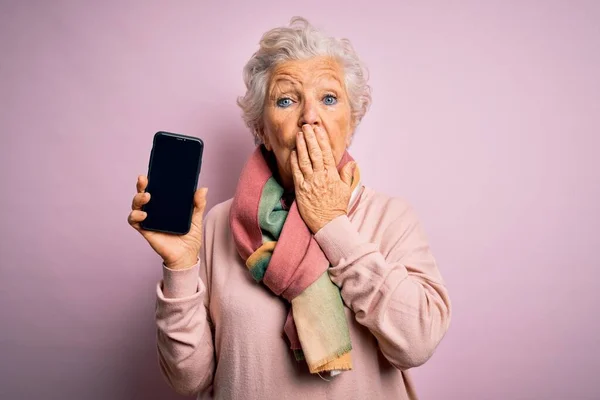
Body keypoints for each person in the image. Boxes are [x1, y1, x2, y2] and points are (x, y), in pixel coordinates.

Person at [128, 17, 451, 400]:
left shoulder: (389, 217)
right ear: (261, 128)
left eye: (329, 99)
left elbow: (416, 342)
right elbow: (189, 380)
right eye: (286, 100)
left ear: (351, 123)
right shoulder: (218, 225)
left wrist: (332, 224)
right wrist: (180, 268)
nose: (309, 116)